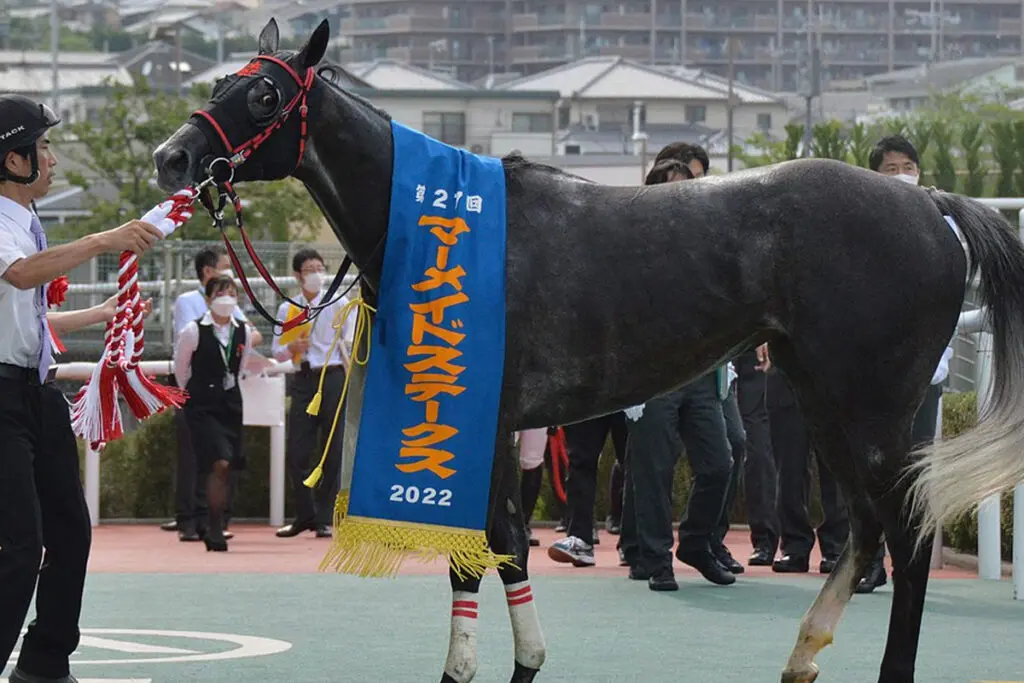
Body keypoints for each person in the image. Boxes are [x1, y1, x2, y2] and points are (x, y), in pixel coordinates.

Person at [0, 94, 169, 683]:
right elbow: (19, 275)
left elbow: (25, 321)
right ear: (13, 159)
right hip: (2, 401)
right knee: (21, 546)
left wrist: (102, 312)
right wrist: (105, 240)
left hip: (33, 392)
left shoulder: (26, 222)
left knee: (70, 528)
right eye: (42, 148)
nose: (52, 159)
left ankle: (45, 665)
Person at [856, 134, 989, 592]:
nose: (900, 176)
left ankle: (906, 565)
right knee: (868, 472)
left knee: (914, 473)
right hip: (870, 373)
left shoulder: (945, 224)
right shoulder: (856, 228)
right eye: (889, 168)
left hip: (923, 375)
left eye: (906, 166)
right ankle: (864, 560)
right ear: (872, 175)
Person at [617, 142, 737, 591]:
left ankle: (696, 540)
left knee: (720, 464)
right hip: (652, 377)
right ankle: (655, 559)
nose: (680, 202)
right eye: (670, 193)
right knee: (654, 471)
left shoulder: (712, 248)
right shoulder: (633, 251)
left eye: (688, 192)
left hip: (701, 373)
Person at [162, 247, 260, 542]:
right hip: (196, 393)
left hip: (227, 394)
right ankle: (190, 520)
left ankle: (215, 521)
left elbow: (249, 340)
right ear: (208, 272)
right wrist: (191, 391)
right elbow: (183, 360)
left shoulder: (235, 316)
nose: (227, 293)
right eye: (224, 268)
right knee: (196, 458)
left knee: (225, 460)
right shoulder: (188, 304)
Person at [272, 248, 356, 538]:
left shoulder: (337, 302)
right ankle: (304, 514)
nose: (316, 275)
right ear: (298, 275)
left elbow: (351, 338)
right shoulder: (288, 308)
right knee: (297, 450)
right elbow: (277, 352)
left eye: (320, 268)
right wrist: (290, 349)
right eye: (310, 269)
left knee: (332, 450)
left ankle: (323, 516)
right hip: (304, 378)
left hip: (332, 377)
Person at [546, 412, 627, 567]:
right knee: (579, 460)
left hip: (629, 394)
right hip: (587, 394)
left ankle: (633, 544)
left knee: (633, 461)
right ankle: (579, 538)